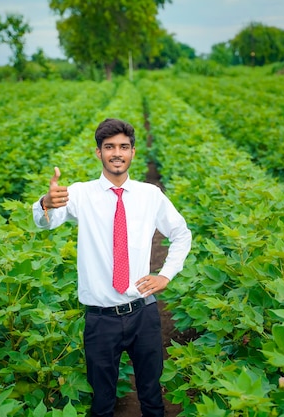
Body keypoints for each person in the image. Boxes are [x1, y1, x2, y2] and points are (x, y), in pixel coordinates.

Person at [32, 118, 192, 417]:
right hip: (101, 319)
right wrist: (46, 203)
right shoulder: (80, 194)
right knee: (102, 402)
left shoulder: (150, 195)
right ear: (98, 153)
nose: (116, 153)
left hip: (143, 312)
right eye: (109, 147)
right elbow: (45, 223)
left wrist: (166, 274)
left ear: (132, 152)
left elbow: (181, 233)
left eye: (123, 147)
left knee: (152, 396)